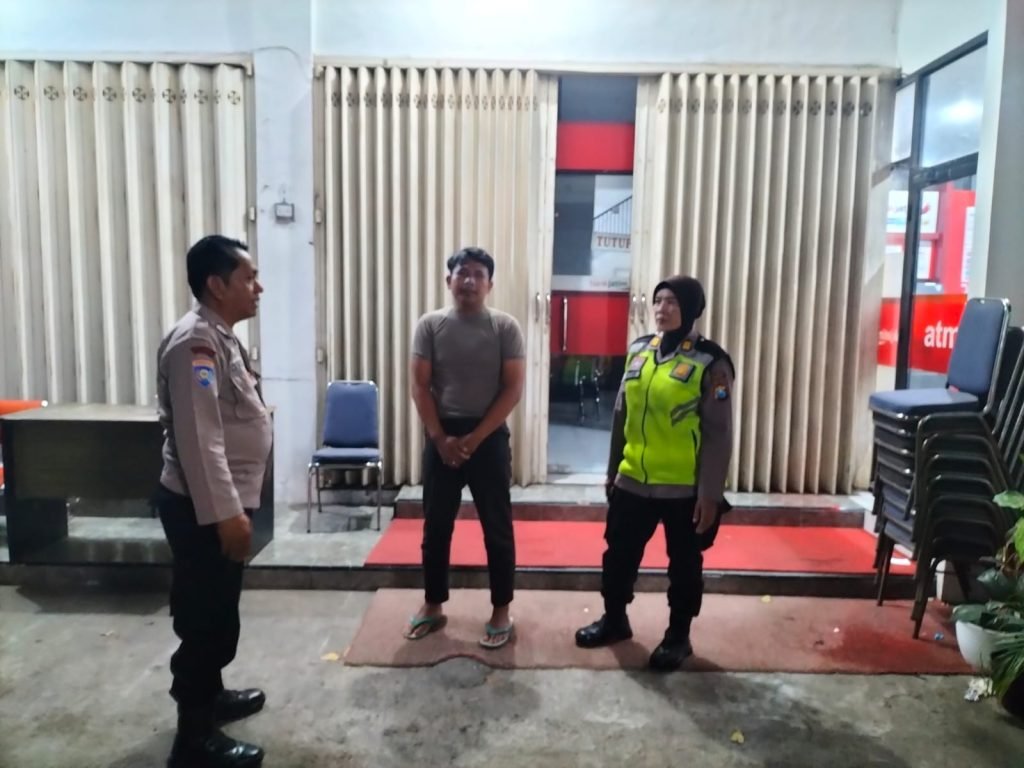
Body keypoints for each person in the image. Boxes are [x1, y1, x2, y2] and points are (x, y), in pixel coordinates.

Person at [575, 275, 735, 671]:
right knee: (618, 556)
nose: (662, 309)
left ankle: (678, 637)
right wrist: (613, 470)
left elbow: (719, 433)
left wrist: (709, 494)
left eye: (672, 302)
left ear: (691, 309)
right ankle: (615, 620)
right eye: (658, 300)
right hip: (632, 480)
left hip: (683, 489)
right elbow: (621, 415)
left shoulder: (711, 362)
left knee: (684, 566)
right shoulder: (639, 351)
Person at [155, 235, 271, 768]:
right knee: (204, 619)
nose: (257, 287)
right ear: (216, 285)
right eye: (248, 278)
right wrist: (227, 514)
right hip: (202, 508)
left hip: (222, 502)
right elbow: (201, 441)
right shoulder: (194, 344)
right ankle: (194, 740)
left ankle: (212, 697)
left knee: (220, 610)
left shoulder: (220, 337)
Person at [406, 246, 526, 649]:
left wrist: (474, 439)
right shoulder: (430, 325)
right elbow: (420, 385)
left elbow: (513, 388)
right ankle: (433, 604)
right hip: (441, 435)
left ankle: (501, 610)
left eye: (478, 274)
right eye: (462, 273)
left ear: (490, 284)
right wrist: (440, 438)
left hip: (488, 437)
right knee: (436, 526)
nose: (469, 281)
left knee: (497, 527)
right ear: (449, 280)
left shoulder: (505, 327)